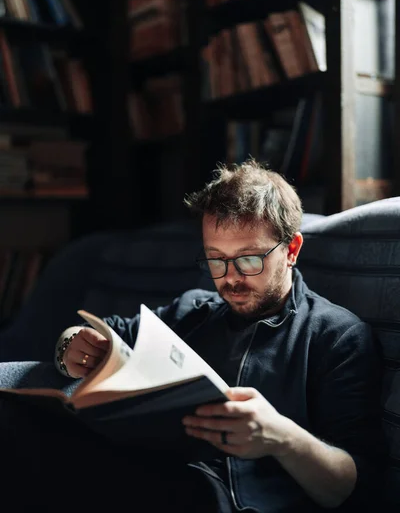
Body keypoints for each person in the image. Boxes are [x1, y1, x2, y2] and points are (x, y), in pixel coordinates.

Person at [0, 160, 384, 512]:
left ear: (292, 250)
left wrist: (280, 437)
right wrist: (71, 345)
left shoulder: (337, 335)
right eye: (215, 259)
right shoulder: (193, 311)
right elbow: (104, 333)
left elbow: (358, 487)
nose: (230, 278)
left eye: (249, 259)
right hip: (146, 469)